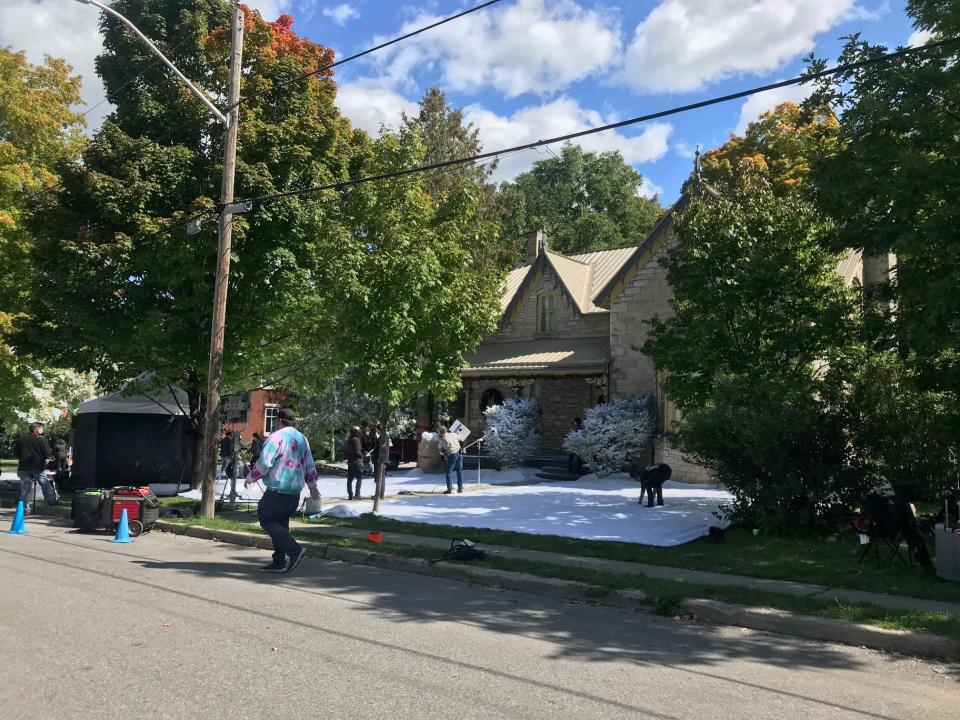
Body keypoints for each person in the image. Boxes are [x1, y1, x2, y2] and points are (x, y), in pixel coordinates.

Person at [243, 408, 319, 574]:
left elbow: (264, 462)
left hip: (278, 490)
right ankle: (279, 561)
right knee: (280, 525)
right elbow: (309, 463)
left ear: (279, 421)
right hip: (294, 492)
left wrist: (250, 477)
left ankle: (294, 550)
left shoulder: (276, 437)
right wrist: (313, 486)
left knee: (265, 517)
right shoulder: (302, 439)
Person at [14, 422, 56, 514]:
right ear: (36, 429)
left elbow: (16, 453)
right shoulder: (41, 439)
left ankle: (25, 509)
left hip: (24, 467)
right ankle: (51, 499)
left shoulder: (22, 439)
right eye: (41, 428)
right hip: (37, 466)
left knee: (25, 489)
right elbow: (47, 453)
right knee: (44, 483)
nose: (42, 430)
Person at [438, 424, 464, 494]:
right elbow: (461, 438)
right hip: (459, 453)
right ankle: (460, 488)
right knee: (459, 471)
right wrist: (458, 433)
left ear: (440, 432)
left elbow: (440, 449)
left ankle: (449, 489)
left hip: (452, 455)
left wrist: (444, 455)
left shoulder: (442, 439)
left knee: (449, 472)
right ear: (446, 430)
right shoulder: (453, 434)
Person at [345, 426, 363, 500]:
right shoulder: (356, 440)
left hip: (350, 461)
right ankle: (357, 494)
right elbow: (357, 452)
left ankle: (350, 495)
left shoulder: (349, 440)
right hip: (356, 461)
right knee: (359, 478)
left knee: (350, 479)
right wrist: (362, 455)